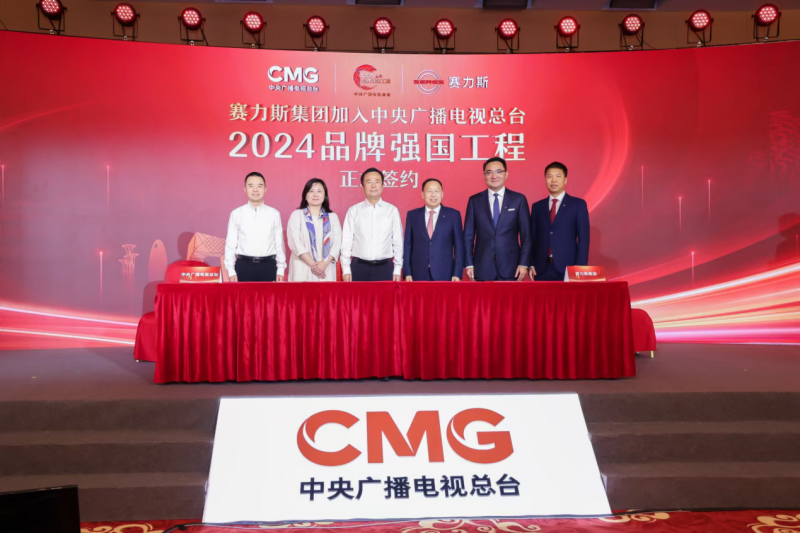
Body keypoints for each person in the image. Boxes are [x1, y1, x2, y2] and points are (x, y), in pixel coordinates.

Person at [464, 157, 531, 281]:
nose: (494, 176)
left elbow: (526, 236)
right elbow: (468, 236)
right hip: (482, 266)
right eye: (489, 172)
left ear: (506, 174)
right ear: (484, 176)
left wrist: (523, 263)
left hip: (512, 267)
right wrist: (469, 264)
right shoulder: (474, 201)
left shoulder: (518, 199)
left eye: (498, 171)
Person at [529, 162, 590, 281]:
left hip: (568, 268)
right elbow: (532, 238)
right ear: (545, 179)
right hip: (541, 269)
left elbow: (583, 239)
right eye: (549, 176)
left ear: (565, 180)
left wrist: (580, 268)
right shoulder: (537, 207)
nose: (553, 180)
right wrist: (531, 263)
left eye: (558, 176)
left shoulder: (578, 205)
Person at [341, 168, 403, 282]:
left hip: (385, 268)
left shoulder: (392, 210)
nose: (373, 186)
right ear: (363, 187)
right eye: (369, 182)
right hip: (359, 267)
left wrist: (397, 269)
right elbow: (347, 241)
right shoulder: (354, 211)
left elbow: (398, 241)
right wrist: (346, 269)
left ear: (383, 186)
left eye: (377, 182)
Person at [224, 171, 287, 282]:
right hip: (243, 266)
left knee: (270, 294)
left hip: (268, 266)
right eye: (251, 186)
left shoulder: (274, 214)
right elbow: (230, 245)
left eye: (259, 186)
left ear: (265, 189)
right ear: (245, 189)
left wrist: (281, 269)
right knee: (242, 295)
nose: (255, 190)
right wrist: (231, 270)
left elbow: (279, 244)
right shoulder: (236, 213)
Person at [403, 178, 464, 281]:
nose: (433, 195)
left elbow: (459, 247)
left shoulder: (453, 215)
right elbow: (407, 245)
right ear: (422, 194)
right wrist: (407, 272)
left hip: (445, 273)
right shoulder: (412, 215)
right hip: (417, 273)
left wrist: (457, 273)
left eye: (437, 191)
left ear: (442, 194)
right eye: (429, 191)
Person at [286, 178, 342, 282]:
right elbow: (295, 242)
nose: (315, 195)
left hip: (326, 268)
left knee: (326, 292)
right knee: (302, 292)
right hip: (303, 268)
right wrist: (314, 265)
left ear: (325, 196)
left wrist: (324, 264)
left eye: (319, 191)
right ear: (305, 196)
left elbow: (337, 242)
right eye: (311, 191)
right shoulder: (297, 215)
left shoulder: (332, 217)